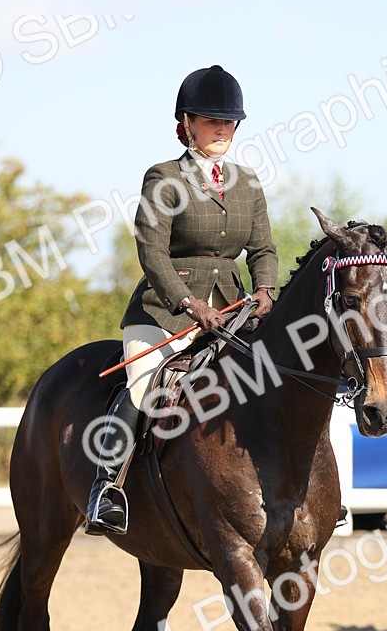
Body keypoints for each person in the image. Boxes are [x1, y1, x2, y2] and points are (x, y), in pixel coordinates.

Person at [85, 65, 279, 535]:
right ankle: (107, 488)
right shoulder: (164, 177)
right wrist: (192, 305)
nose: (222, 129)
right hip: (164, 313)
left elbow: (264, 249)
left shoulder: (248, 183)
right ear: (186, 123)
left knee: (280, 381)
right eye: (212, 120)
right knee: (141, 385)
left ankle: (301, 488)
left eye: (229, 121)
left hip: (234, 312)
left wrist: (266, 289)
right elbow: (151, 252)